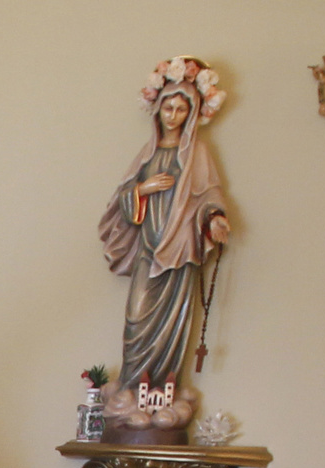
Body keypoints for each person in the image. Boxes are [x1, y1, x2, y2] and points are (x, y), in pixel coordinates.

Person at [98, 63, 229, 419]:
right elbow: (121, 201)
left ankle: (160, 395)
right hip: (148, 251)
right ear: (159, 110)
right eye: (168, 107)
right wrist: (143, 189)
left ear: (193, 113)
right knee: (136, 319)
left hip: (180, 252)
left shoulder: (197, 154)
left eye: (182, 108)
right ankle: (129, 389)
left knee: (172, 329)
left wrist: (215, 219)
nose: (173, 115)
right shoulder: (148, 153)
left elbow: (209, 197)